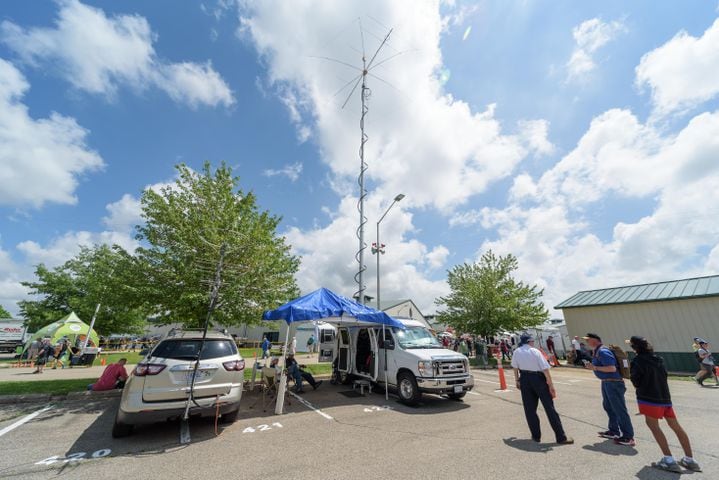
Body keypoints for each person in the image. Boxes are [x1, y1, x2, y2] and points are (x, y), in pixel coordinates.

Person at [628, 336, 702, 473]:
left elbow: (636, 381)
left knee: (654, 427)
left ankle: (668, 460)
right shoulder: (658, 359)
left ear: (634, 348)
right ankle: (690, 459)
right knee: (676, 427)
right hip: (665, 399)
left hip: (649, 399)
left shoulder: (637, 361)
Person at [511, 334, 573, 445]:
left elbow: (515, 367)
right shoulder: (535, 351)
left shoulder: (517, 351)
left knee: (530, 409)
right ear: (530, 341)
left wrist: (517, 380)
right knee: (549, 408)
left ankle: (536, 436)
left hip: (524, 378)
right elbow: (545, 369)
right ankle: (561, 437)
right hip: (537, 378)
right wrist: (550, 384)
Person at [583, 333, 635, 446]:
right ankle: (614, 431)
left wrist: (594, 367)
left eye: (588, 340)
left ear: (595, 340)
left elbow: (611, 368)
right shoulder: (597, 351)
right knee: (609, 407)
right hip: (607, 383)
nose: (586, 342)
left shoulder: (603, 351)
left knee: (619, 409)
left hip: (614, 383)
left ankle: (628, 437)